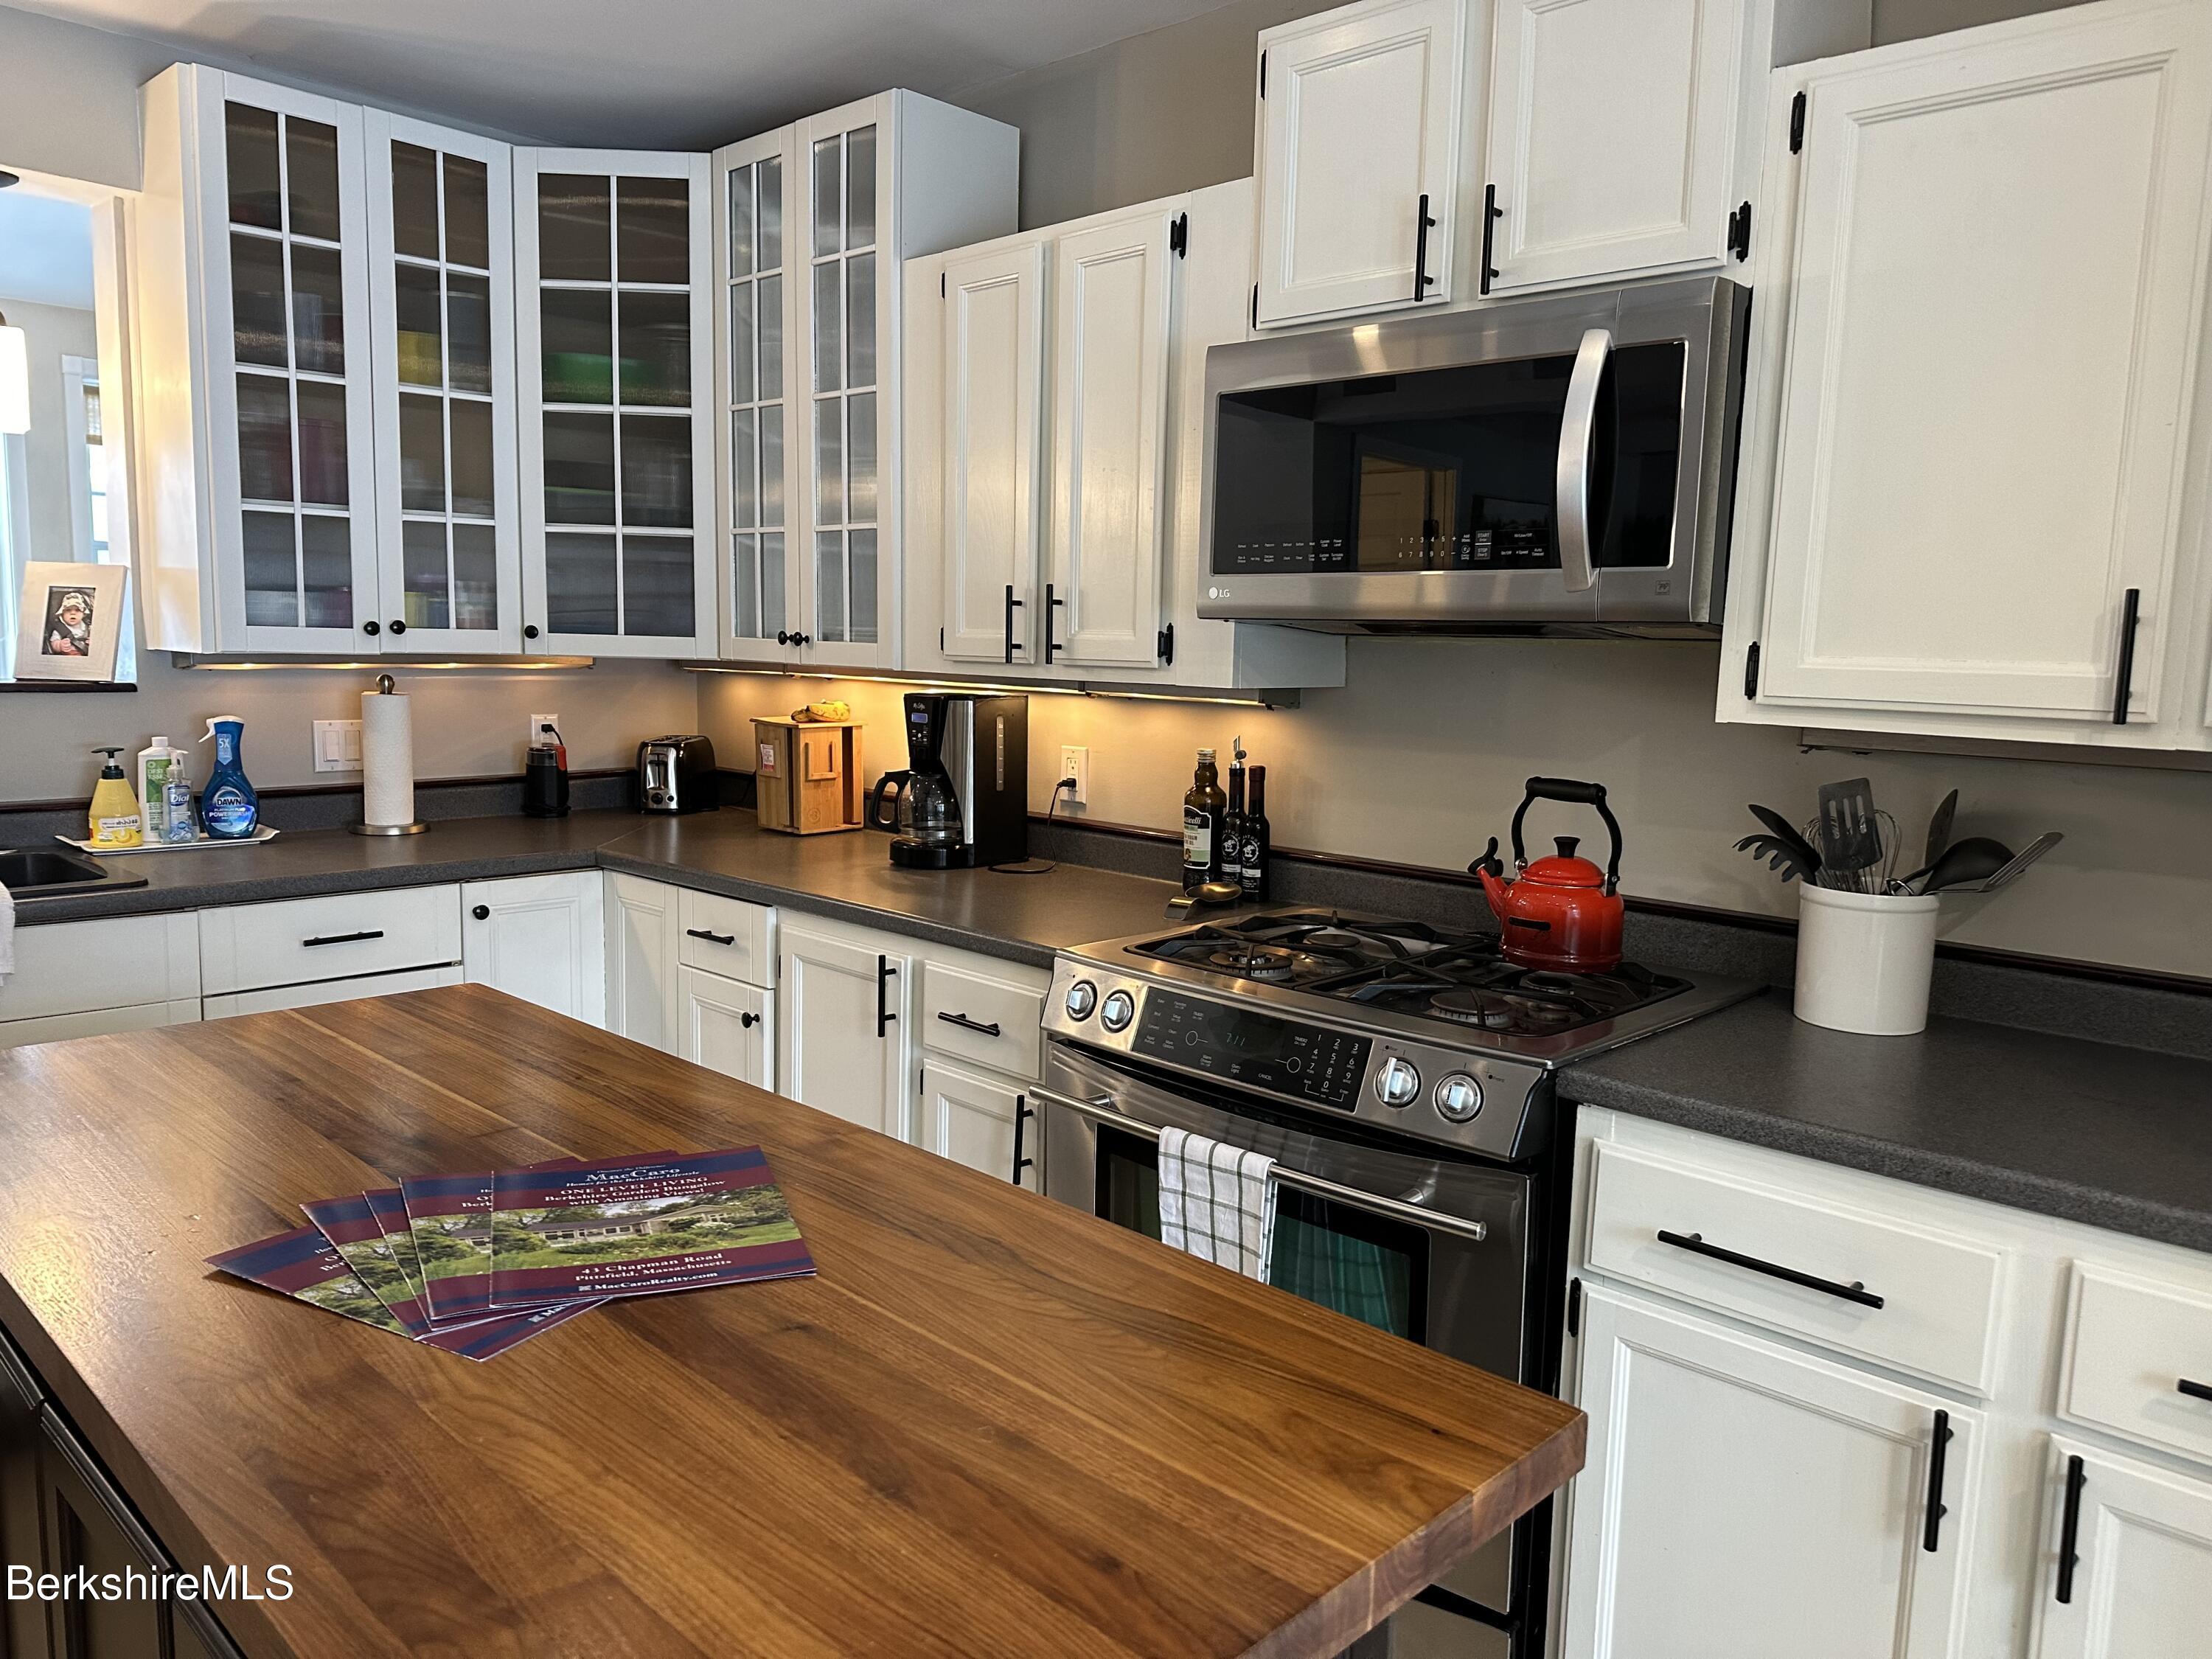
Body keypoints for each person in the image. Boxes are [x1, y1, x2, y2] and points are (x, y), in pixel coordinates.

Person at [45, 590, 92, 657]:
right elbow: (52, 644)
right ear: (62, 614)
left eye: (78, 610)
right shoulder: (60, 629)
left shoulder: (88, 628)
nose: (73, 613)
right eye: (68, 610)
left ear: (84, 614)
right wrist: (60, 645)